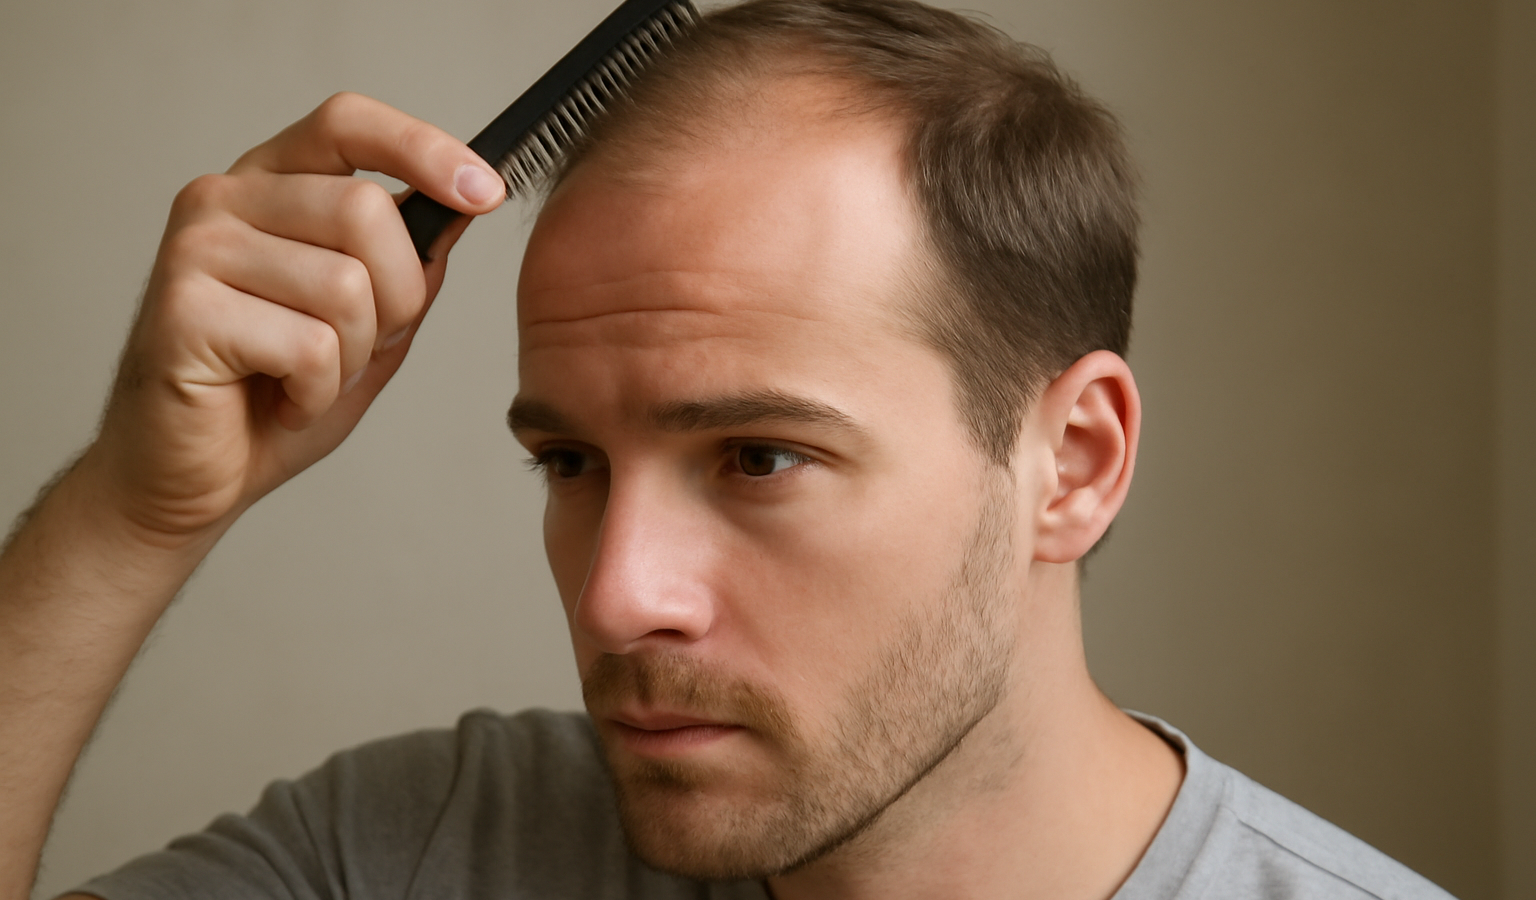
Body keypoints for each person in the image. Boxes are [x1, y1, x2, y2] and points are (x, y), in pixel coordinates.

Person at [0, 1, 1457, 899]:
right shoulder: (431, 847)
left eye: (758, 458)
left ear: (1070, 463)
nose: (618, 595)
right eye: (567, 464)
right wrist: (132, 517)